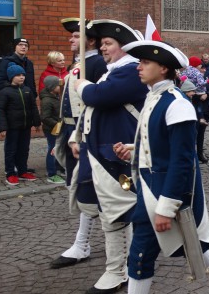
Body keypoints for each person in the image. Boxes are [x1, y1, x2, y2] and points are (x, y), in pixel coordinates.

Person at [114, 40, 209, 294]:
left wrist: (166, 208)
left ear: (163, 68)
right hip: (149, 187)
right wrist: (133, 149)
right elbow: (157, 143)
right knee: (183, 241)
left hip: (163, 192)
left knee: (140, 255)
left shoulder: (176, 103)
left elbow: (182, 162)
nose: (139, 67)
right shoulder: (154, 97)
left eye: (146, 62)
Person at [68, 19, 147, 293]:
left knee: (117, 213)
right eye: (101, 44)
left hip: (117, 156)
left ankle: (118, 270)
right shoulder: (113, 71)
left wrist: (81, 85)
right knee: (111, 212)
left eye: (108, 43)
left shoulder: (130, 71)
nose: (102, 48)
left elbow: (99, 97)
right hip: (102, 154)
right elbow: (92, 110)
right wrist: (77, 135)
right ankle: (127, 264)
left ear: (124, 47)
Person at [50, 17, 108, 270]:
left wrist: (80, 135)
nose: (70, 40)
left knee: (90, 187)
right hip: (70, 130)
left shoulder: (96, 64)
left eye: (76, 36)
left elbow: (95, 104)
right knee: (80, 187)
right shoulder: (79, 63)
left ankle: (83, 242)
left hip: (84, 132)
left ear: (91, 41)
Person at [0, 62, 41, 185]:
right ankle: (10, 173)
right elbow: (0, 110)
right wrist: (3, 127)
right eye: (18, 75)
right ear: (11, 77)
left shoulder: (27, 90)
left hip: (25, 126)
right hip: (12, 127)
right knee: (11, 150)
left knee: (24, 149)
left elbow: (33, 107)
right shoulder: (5, 92)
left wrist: (37, 122)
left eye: (23, 75)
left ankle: (22, 171)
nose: (22, 77)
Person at [40, 75, 65, 184]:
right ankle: (51, 174)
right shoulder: (47, 100)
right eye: (58, 86)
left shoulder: (56, 97)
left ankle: (58, 169)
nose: (60, 87)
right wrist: (58, 124)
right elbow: (45, 117)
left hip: (58, 128)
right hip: (52, 129)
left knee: (58, 149)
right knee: (53, 150)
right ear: (52, 87)